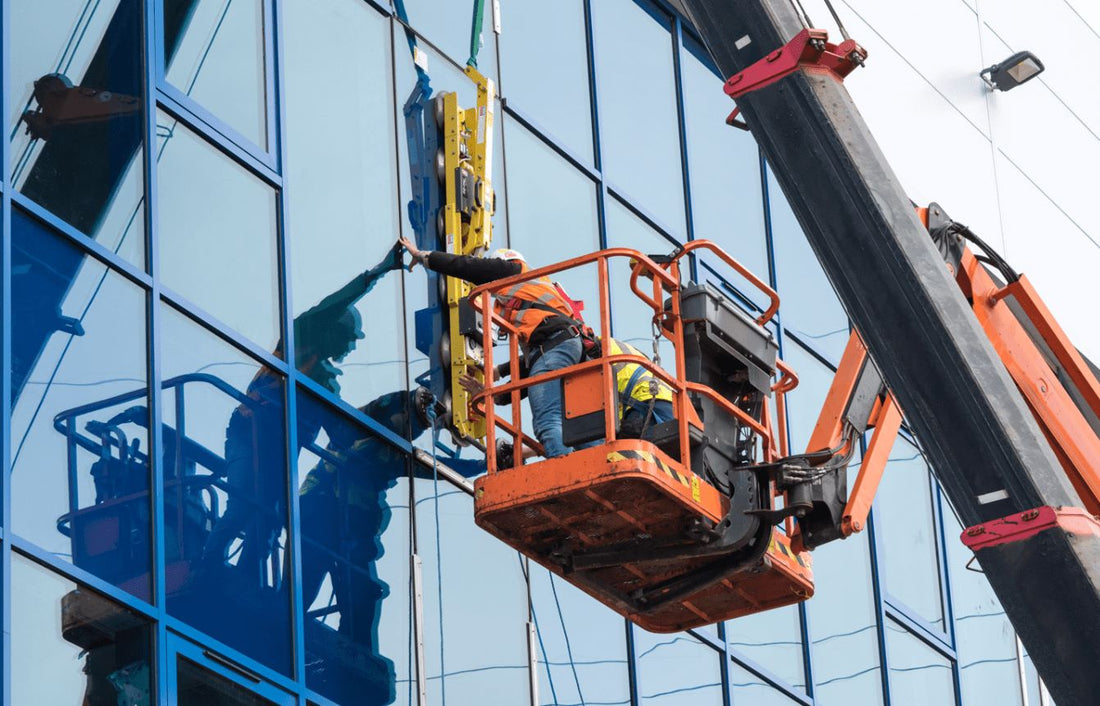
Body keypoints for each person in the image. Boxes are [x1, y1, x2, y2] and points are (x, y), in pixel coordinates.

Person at [399, 237, 591, 458]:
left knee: (548, 422)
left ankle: (565, 472)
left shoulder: (513, 269)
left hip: (558, 345)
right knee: (579, 428)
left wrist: (426, 257)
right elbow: (536, 369)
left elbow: (468, 267)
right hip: (570, 348)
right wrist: (496, 385)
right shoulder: (538, 300)